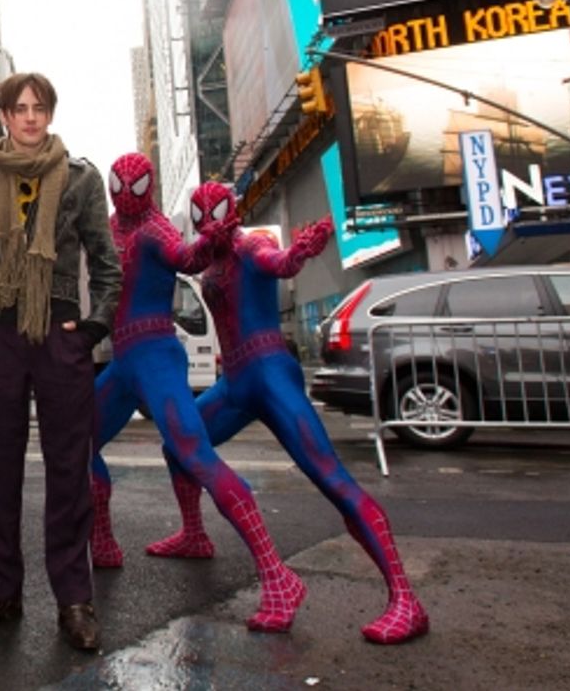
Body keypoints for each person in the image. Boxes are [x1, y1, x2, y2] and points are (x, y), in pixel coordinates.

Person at [162, 181, 428, 644]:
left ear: (232, 211)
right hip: (238, 381)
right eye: (201, 214)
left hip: (268, 373)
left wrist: (300, 252)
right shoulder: (214, 256)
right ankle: (197, 535)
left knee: (332, 478)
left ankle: (406, 599)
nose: (209, 221)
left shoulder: (251, 247)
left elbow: (277, 263)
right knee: (178, 444)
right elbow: (183, 259)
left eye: (216, 211)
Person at [88, 154, 305, 632]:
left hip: (156, 353)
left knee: (195, 451)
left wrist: (212, 238)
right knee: (77, 443)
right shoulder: (110, 227)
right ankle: (108, 539)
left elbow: (187, 258)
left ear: (148, 186)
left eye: (135, 183)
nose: (126, 192)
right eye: (119, 183)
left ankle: (276, 573)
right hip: (125, 358)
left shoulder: (155, 227)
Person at [0, 72, 121, 652]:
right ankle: (0, 593)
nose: (29, 117)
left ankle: (75, 600)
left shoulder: (80, 178)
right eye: (18, 108)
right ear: (2, 114)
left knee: (69, 471)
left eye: (38, 108)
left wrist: (93, 327)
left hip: (59, 333)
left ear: (49, 114)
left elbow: (105, 258)